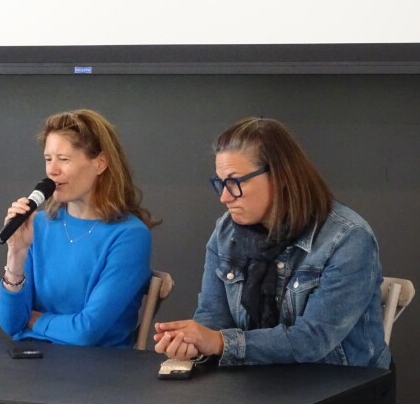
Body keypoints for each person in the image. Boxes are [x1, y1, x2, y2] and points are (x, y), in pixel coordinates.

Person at [154, 117, 391, 369]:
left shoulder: (349, 238)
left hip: (341, 387)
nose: (224, 196)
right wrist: (191, 343)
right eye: (220, 183)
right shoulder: (225, 232)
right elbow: (213, 318)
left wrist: (220, 342)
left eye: (234, 183)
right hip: (257, 384)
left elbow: (313, 339)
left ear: (280, 177)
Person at [0, 109, 158, 348]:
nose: (52, 171)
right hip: (34, 364)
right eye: (48, 159)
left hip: (99, 372)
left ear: (100, 163)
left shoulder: (129, 236)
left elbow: (86, 332)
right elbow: (11, 324)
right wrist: (16, 257)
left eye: (64, 159)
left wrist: (33, 320)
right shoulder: (38, 225)